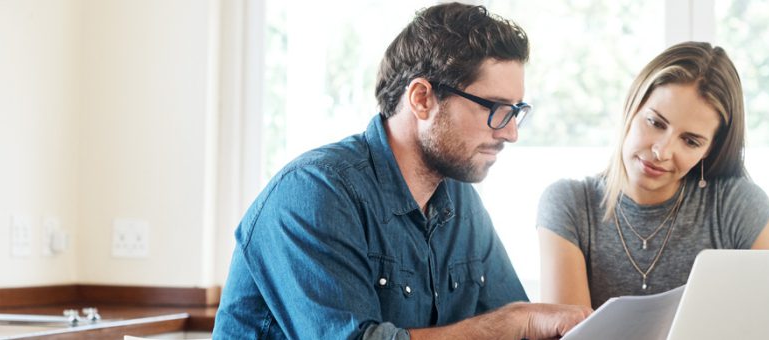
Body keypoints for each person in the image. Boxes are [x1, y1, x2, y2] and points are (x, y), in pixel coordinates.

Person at [213, 3, 590, 339]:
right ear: (422, 99)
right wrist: (512, 324)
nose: (510, 132)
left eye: (516, 111)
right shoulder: (314, 191)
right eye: (494, 108)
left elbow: (515, 323)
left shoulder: (461, 202)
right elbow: (508, 324)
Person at [536, 41, 769, 309]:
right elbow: (569, 334)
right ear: (632, 107)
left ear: (709, 150)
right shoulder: (569, 205)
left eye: (690, 141)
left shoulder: (739, 207)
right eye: (655, 123)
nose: (662, 151)